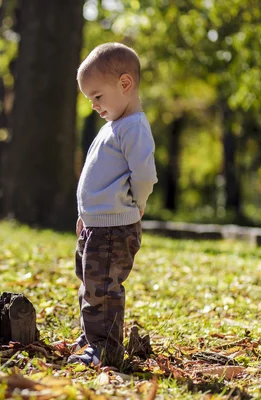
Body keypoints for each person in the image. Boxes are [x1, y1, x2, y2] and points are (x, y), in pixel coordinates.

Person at [68, 42, 158, 367]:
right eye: (89, 98)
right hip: (97, 225)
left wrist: (139, 203)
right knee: (89, 284)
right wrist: (85, 215)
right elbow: (100, 180)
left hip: (114, 228)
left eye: (97, 96)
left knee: (103, 288)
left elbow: (144, 173)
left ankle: (105, 348)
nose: (93, 104)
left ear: (125, 84)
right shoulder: (114, 126)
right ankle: (91, 336)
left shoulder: (133, 128)